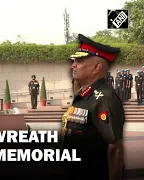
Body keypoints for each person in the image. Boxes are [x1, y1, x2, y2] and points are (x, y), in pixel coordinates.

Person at [63, 34, 124, 180]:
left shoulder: (105, 98)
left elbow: (115, 148)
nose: (72, 66)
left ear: (97, 67)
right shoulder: (85, 95)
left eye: (79, 61)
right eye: (73, 61)